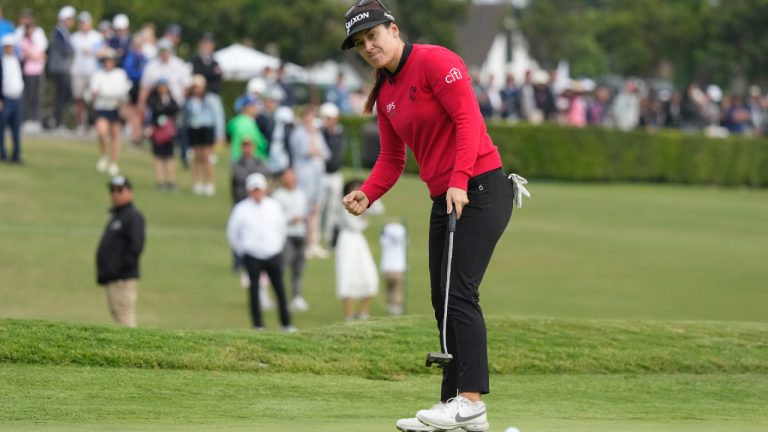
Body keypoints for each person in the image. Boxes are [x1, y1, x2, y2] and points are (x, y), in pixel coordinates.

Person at [340, 2, 526, 431]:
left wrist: (459, 178)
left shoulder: (436, 61)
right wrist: (367, 194)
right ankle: (455, 409)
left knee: (460, 293)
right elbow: (391, 157)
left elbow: (468, 121)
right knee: (441, 298)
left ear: (393, 29)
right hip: (446, 195)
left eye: (373, 36)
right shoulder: (386, 92)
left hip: (479, 187)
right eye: (360, 43)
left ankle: (471, 401)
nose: (369, 46)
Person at [226, 173, 296, 332]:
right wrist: (242, 249)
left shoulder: (273, 206)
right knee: (254, 291)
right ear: (249, 191)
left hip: (273, 253)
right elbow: (232, 233)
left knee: (279, 289)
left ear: (264, 190)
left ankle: (286, 323)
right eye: (254, 190)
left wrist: (277, 245)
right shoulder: (241, 209)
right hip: (252, 254)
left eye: (259, 189)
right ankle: (258, 325)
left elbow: (281, 228)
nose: (257, 193)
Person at [96, 175, 146, 328]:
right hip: (115, 277)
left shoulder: (132, 216)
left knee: (124, 314)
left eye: (119, 190)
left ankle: (133, 348)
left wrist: (122, 269)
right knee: (119, 312)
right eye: (112, 190)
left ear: (129, 192)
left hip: (122, 278)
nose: (115, 194)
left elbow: (136, 246)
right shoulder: (118, 215)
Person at [289, 105, 330, 259]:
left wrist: (316, 147)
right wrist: (313, 143)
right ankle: (304, 243)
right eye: (308, 118)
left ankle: (314, 243)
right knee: (304, 209)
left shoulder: (317, 133)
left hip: (317, 176)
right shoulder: (298, 134)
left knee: (315, 209)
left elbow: (325, 153)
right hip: (304, 177)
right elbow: (307, 151)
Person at [336, 179, 379, 322]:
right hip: (347, 240)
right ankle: (349, 315)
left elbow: (379, 209)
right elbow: (355, 225)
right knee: (347, 275)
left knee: (368, 274)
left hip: (359, 241)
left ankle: (363, 313)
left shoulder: (361, 203)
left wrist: (369, 195)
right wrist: (365, 218)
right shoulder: (344, 204)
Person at [272, 168, 311, 312]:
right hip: (286, 235)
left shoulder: (301, 194)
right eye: (287, 177)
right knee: (282, 266)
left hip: (300, 234)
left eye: (292, 177)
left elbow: (306, 214)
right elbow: (275, 217)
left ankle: (296, 297)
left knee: (298, 268)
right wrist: (289, 219)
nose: (290, 180)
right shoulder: (278, 196)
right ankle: (280, 297)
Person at [90, 48, 132, 176]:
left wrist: (123, 105)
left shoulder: (120, 74)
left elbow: (123, 92)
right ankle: (104, 156)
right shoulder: (98, 74)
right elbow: (94, 92)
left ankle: (113, 162)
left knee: (115, 135)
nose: (108, 63)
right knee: (102, 132)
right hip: (102, 106)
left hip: (115, 107)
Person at [184, 74, 225, 195]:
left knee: (207, 156)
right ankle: (197, 183)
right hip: (194, 128)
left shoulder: (211, 99)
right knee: (196, 157)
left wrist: (220, 134)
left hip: (207, 128)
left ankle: (209, 183)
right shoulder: (190, 100)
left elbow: (218, 116)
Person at [69, 11, 103, 133]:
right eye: (82, 23)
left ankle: (92, 123)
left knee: (92, 99)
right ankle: (79, 125)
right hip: (78, 72)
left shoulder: (97, 36)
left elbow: (101, 53)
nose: (84, 25)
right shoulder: (74, 38)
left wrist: (91, 52)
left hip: (92, 72)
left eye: (86, 22)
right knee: (78, 99)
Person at [319, 102, 347, 247]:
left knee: (333, 207)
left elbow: (334, 155)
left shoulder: (340, 133)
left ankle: (330, 236)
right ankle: (317, 237)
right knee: (319, 207)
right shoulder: (319, 132)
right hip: (321, 175)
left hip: (334, 174)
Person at [146, 78, 179, 189]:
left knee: (169, 157)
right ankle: (160, 181)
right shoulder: (153, 99)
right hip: (158, 131)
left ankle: (170, 181)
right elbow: (154, 111)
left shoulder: (170, 99)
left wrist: (164, 108)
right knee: (158, 157)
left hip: (168, 132)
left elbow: (175, 109)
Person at [48, 5, 76, 130]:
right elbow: (66, 49)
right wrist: (72, 50)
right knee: (61, 95)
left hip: (62, 68)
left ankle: (58, 120)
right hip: (58, 68)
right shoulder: (58, 32)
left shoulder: (64, 32)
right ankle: (57, 121)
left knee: (63, 94)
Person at [19, 18, 46, 133]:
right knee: (28, 96)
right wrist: (35, 56)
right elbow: (26, 55)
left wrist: (35, 56)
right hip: (28, 71)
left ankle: (35, 119)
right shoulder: (23, 41)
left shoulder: (37, 41)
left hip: (38, 71)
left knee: (36, 96)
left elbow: (43, 55)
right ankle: (27, 119)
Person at [0, 34, 24, 163]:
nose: (10, 49)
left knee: (16, 129)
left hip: (17, 98)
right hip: (6, 99)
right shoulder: (1, 62)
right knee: (2, 128)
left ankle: (16, 154)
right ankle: (2, 154)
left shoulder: (16, 61)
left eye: (12, 46)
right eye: (8, 47)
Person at [380, 219, 407, 315]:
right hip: (398, 269)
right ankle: (397, 307)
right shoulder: (402, 237)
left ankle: (391, 306)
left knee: (389, 289)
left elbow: (382, 239)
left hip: (387, 268)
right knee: (397, 289)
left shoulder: (385, 238)